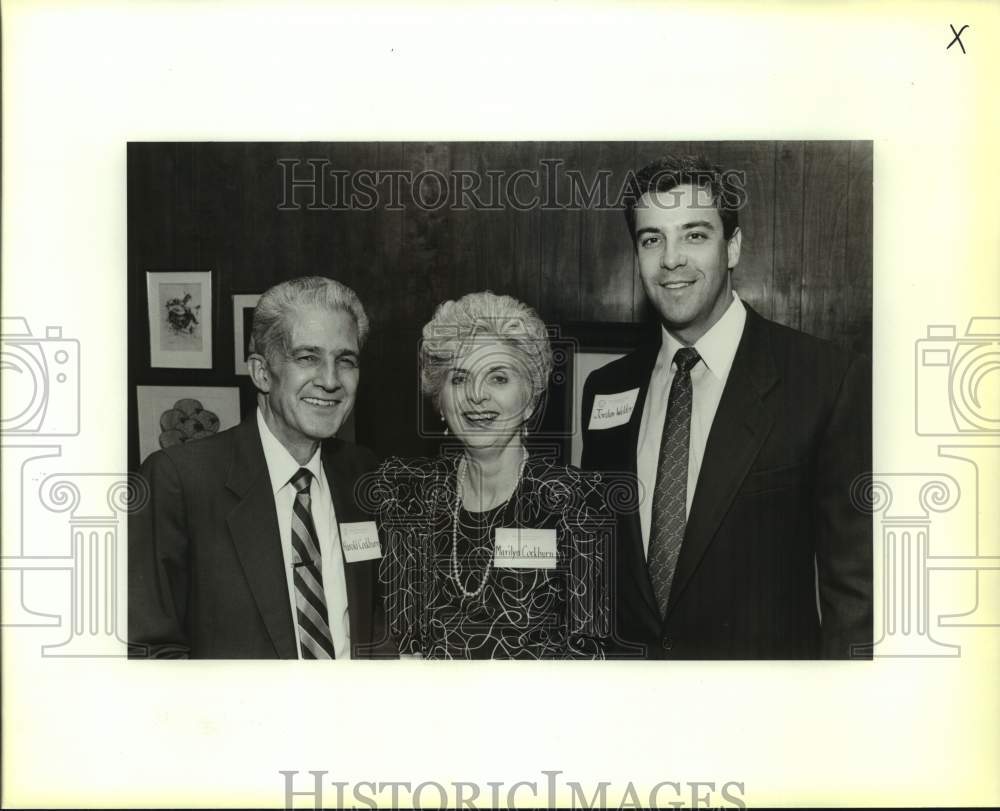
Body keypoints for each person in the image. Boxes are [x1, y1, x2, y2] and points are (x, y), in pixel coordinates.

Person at [581, 155, 872, 659]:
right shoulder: (607, 388)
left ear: (732, 246)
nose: (671, 259)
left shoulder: (825, 380)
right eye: (652, 239)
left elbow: (856, 595)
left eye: (694, 235)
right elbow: (600, 566)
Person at [129, 276, 387, 659]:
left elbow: (378, 623)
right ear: (261, 372)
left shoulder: (364, 474)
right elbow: (150, 650)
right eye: (307, 357)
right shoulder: (179, 480)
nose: (331, 381)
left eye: (345, 361)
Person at [372, 292, 611, 659]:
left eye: (498, 377)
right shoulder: (407, 499)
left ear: (530, 398)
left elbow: (590, 651)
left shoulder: (576, 501)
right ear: (440, 400)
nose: (476, 396)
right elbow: (392, 636)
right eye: (459, 379)